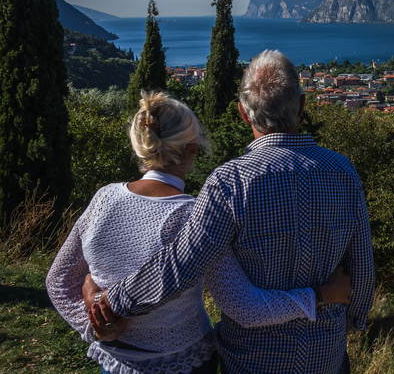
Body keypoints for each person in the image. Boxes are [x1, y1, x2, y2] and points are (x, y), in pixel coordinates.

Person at [91, 50, 375, 374]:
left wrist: (116, 301)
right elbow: (362, 268)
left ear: (243, 113)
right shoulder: (343, 172)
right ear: (300, 106)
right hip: (326, 354)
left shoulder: (229, 183)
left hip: (252, 360)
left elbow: (179, 264)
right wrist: (355, 320)